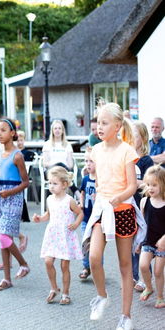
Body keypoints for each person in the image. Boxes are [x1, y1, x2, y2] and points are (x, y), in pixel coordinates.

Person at [81, 103, 147, 330]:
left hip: (123, 210)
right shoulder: (96, 150)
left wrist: (119, 197)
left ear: (117, 126)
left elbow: (131, 186)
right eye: (98, 122)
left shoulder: (127, 151)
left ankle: (126, 316)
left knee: (125, 265)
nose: (99, 127)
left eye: (104, 123)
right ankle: (102, 296)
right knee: (94, 257)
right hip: (103, 210)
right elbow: (99, 181)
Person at [33, 166, 84, 305]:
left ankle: (66, 293)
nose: (51, 186)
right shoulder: (49, 199)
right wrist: (40, 218)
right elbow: (49, 215)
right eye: (49, 183)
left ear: (64, 185)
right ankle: (54, 288)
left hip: (65, 236)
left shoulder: (69, 200)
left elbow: (80, 213)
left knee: (64, 266)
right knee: (48, 261)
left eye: (54, 183)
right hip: (52, 236)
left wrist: (76, 224)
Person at [0, 118, 30, 291]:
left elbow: (25, 182)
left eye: (3, 130)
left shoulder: (17, 156)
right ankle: (7, 279)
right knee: (4, 240)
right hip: (1, 197)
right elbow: (1, 177)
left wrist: (9, 192)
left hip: (13, 198)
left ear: (12, 133)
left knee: (3, 236)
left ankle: (23, 263)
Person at [131, 121, 155, 292]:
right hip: (128, 206)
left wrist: (135, 182)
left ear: (143, 138)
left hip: (143, 207)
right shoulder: (127, 158)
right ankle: (134, 276)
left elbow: (148, 184)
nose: (132, 138)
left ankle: (145, 278)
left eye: (136, 135)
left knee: (142, 242)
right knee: (131, 243)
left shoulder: (146, 160)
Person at [138, 165, 165, 309]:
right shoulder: (144, 202)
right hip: (148, 240)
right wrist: (138, 242)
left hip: (163, 243)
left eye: (154, 185)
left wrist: (163, 240)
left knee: (158, 271)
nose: (150, 188)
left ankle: (160, 297)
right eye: (148, 184)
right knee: (143, 265)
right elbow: (143, 225)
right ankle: (149, 287)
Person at [78, 150, 97, 280]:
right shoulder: (85, 179)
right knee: (85, 243)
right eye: (86, 161)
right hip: (86, 217)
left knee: (95, 246)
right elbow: (82, 193)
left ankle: (96, 268)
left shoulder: (100, 180)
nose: (88, 164)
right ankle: (86, 267)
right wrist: (81, 203)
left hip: (97, 220)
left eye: (91, 161)